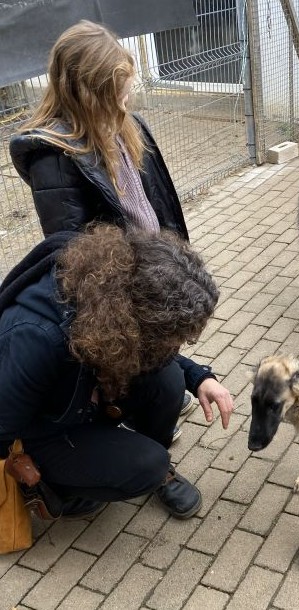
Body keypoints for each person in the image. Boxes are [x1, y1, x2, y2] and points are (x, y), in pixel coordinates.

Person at [9, 19, 198, 432]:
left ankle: (160, 399)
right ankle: (133, 427)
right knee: (148, 380)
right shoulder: (54, 160)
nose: (127, 99)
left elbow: (155, 199)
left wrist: (173, 265)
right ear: (88, 92)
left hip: (151, 272)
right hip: (121, 287)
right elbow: (78, 257)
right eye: (118, 91)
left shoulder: (126, 125)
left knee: (166, 371)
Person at [0, 224, 233, 519]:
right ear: (137, 318)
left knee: (169, 380)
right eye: (173, 337)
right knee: (149, 465)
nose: (177, 345)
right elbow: (2, 427)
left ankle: (131, 456)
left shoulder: (116, 290)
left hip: (80, 397)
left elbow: (155, 349)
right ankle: (60, 487)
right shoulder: (36, 338)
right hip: (45, 430)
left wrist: (199, 377)